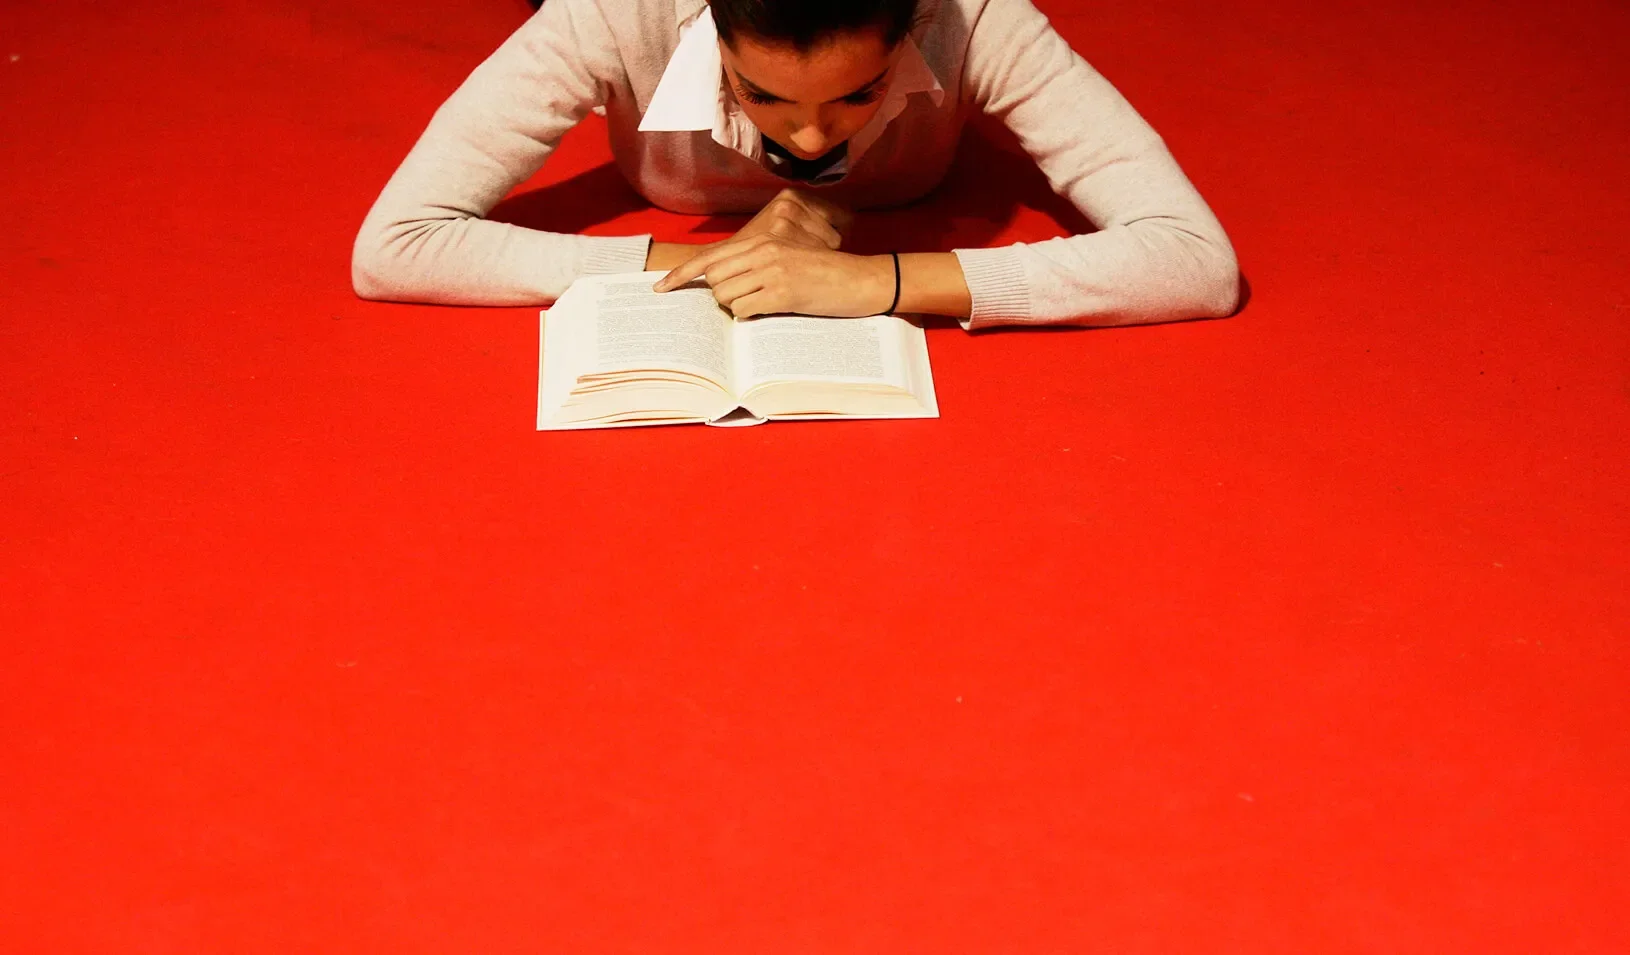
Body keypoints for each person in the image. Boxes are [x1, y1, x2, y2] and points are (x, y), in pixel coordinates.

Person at [353, 0, 1239, 328]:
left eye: (858, 95)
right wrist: (708, 263)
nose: (810, 143)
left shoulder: (974, 16)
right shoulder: (609, 13)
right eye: (762, 95)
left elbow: (1194, 261)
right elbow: (394, 244)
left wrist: (875, 282)